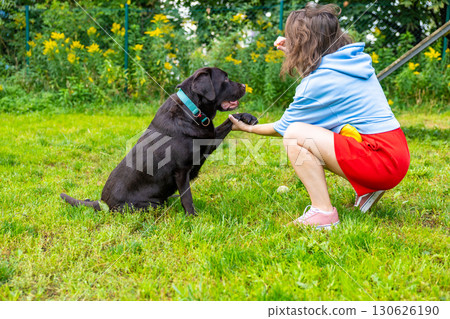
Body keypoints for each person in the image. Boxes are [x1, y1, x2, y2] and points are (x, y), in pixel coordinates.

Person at [228, 3, 410, 229]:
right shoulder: (350, 60)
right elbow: (321, 68)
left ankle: (323, 214)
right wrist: (297, 49)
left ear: (304, 43)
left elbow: (284, 127)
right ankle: (370, 187)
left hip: (381, 161)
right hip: (395, 154)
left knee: (295, 134)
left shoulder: (319, 83)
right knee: (321, 129)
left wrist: (248, 128)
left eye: (294, 38)